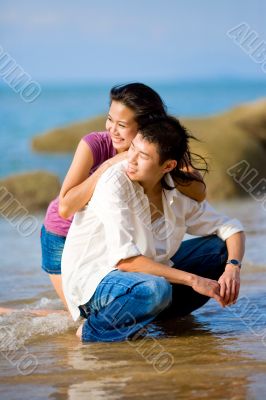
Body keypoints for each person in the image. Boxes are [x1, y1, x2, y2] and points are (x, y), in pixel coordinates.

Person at [61, 116, 245, 342]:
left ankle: (153, 317)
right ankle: (92, 330)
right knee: (156, 289)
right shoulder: (114, 183)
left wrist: (233, 268)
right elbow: (125, 261)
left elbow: (231, 228)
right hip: (95, 281)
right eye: (133, 149)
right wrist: (194, 280)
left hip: (141, 278)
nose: (131, 160)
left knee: (218, 250)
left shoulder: (175, 191)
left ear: (168, 166)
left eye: (144, 156)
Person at [41, 83, 207, 306]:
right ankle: (12, 314)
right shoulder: (95, 144)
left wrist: (157, 164)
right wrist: (110, 164)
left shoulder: (158, 148)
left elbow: (199, 192)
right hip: (62, 236)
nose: (112, 129)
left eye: (121, 125)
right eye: (110, 119)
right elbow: (65, 207)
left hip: (111, 242)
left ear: (145, 127)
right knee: (78, 319)